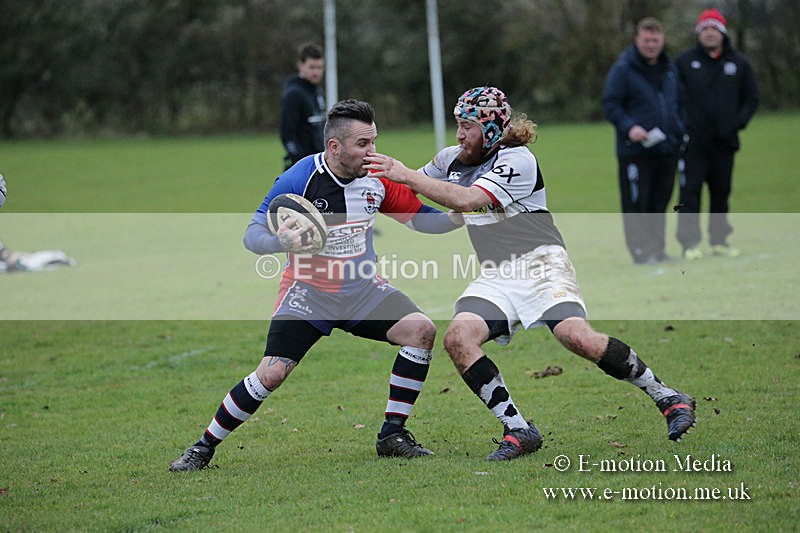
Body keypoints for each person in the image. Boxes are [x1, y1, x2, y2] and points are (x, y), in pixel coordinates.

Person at [366, 86, 696, 461]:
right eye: (458, 124)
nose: (460, 134)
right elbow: (408, 190)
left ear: (491, 129)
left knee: (578, 338)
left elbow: (468, 200)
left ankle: (668, 397)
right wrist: (355, 180)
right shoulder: (450, 159)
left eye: (468, 126)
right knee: (458, 338)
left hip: (542, 265)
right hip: (497, 274)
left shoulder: (518, 159)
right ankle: (519, 430)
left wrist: (406, 174)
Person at [169, 99, 461, 471]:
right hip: (309, 294)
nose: (372, 152)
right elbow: (252, 234)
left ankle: (392, 434)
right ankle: (202, 447)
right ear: (334, 147)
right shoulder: (300, 177)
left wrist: (461, 213)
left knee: (420, 331)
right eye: (362, 144)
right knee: (272, 373)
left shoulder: (377, 177)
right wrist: (279, 242)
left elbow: (422, 220)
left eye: (374, 141)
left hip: (362, 290)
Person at [675, 9, 759, 260]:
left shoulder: (739, 64)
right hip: (693, 143)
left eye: (714, 29)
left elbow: (751, 98)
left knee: (721, 192)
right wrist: (683, 126)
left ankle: (719, 240)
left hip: (725, 141)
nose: (709, 33)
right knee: (690, 193)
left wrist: (736, 124)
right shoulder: (684, 63)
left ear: (723, 33)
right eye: (705, 29)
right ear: (699, 34)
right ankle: (689, 243)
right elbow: (674, 98)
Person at [602, 17, 686, 264]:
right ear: (638, 40)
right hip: (635, 151)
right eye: (646, 40)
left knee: (660, 202)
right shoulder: (624, 69)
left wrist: (679, 130)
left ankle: (657, 249)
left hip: (667, 148)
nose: (651, 45)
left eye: (655, 40)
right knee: (638, 203)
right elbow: (610, 104)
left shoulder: (669, 68)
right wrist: (630, 127)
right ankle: (641, 251)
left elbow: (678, 104)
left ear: (662, 40)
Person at [280, 42, 326, 171]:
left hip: (319, 164)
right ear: (300, 66)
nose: (316, 72)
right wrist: (299, 162)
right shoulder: (294, 94)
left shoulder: (317, 91)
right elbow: (287, 135)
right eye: (312, 67)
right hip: (303, 167)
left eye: (319, 67)